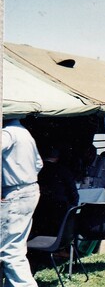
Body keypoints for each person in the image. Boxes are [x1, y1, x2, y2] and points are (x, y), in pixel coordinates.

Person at [1, 118, 43, 286]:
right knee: (16, 245)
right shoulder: (26, 133)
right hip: (29, 189)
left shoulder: (7, 133)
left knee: (10, 251)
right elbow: (38, 164)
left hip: (15, 192)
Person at [31, 147, 79, 237]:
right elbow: (74, 194)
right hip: (59, 212)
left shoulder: (35, 171)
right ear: (57, 158)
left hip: (39, 212)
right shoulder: (63, 170)